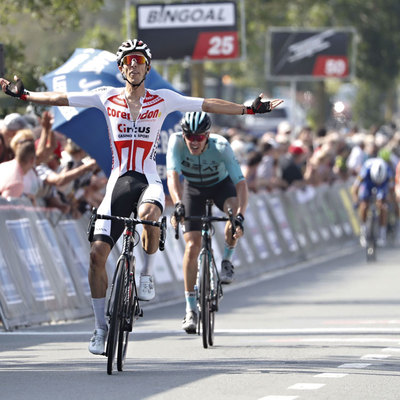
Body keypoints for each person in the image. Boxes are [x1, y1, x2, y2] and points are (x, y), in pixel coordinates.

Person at [0, 38, 283, 353]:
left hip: (148, 178)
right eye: (129, 62)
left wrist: (248, 108)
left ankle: (145, 272)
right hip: (118, 180)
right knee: (96, 256)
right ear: (121, 68)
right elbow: (62, 98)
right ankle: (99, 328)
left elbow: (207, 104)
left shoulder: (163, 99)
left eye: (139, 61)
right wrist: (25, 94)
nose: (134, 66)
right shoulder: (105, 97)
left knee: (149, 217)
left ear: (147, 67)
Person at [166, 111, 249, 334]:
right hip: (193, 189)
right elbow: (172, 176)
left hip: (221, 186)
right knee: (192, 246)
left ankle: (227, 261)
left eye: (199, 137)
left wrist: (240, 215)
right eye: (189, 136)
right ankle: (190, 309)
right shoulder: (175, 142)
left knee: (232, 215)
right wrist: (177, 204)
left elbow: (240, 183)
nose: (193, 141)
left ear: (207, 136)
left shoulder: (221, 146)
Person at [351, 157, 394, 247]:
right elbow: (355, 188)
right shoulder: (365, 171)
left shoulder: (388, 172)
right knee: (364, 205)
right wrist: (356, 201)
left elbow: (391, 190)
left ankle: (382, 233)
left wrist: (388, 201)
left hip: (382, 185)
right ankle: (363, 230)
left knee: (382, 206)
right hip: (368, 183)